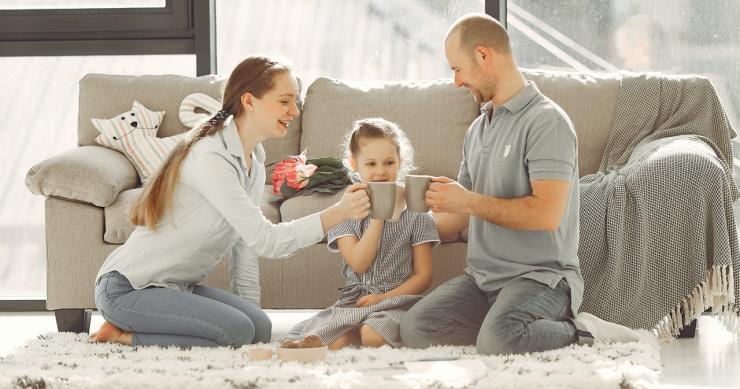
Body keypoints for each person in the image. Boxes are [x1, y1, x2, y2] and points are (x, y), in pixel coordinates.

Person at [89, 56, 370, 348]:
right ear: (249, 101)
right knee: (236, 332)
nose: (295, 111)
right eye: (285, 101)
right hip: (128, 288)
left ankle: (215, 327)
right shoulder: (211, 157)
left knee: (257, 328)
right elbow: (267, 241)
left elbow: (245, 247)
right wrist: (338, 213)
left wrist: (250, 320)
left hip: (174, 287)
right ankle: (124, 335)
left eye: (295, 102)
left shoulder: (253, 162)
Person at [400, 13, 639, 355]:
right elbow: (457, 219)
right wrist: (404, 218)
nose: (456, 82)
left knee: (499, 340)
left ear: (483, 56)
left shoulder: (547, 122)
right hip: (482, 279)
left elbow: (546, 214)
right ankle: (503, 325)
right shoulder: (478, 129)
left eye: (457, 69)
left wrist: (466, 201)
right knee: (416, 328)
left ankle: (583, 331)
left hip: (540, 278)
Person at [288, 118, 439, 349]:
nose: (381, 171)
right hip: (356, 300)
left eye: (389, 162)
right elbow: (359, 263)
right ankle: (351, 329)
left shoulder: (415, 211)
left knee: (373, 336)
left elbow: (423, 277)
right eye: (371, 164)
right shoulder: (345, 211)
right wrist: (379, 216)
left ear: (401, 162)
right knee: (326, 341)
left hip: (396, 301)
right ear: (354, 164)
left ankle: (362, 329)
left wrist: (383, 298)